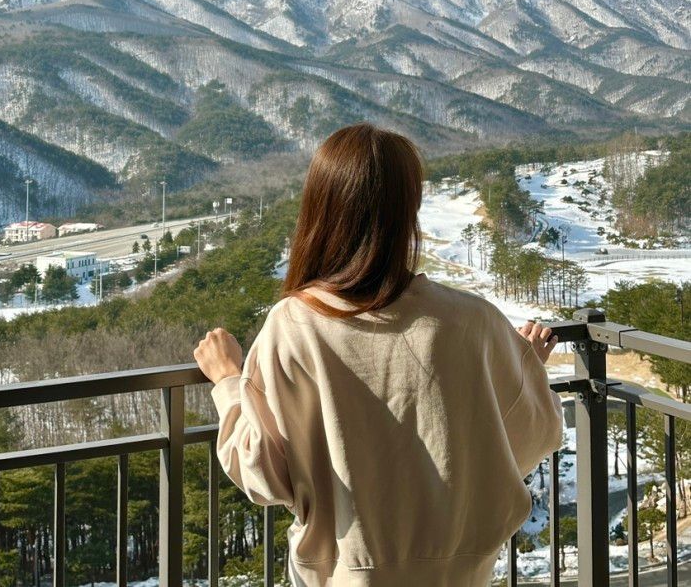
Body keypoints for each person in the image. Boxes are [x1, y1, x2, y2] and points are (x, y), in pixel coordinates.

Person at [194, 123, 563, 587]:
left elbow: (262, 473)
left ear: (320, 209)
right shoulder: (473, 320)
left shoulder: (295, 326)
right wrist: (521, 367)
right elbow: (524, 439)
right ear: (408, 212)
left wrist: (229, 382)